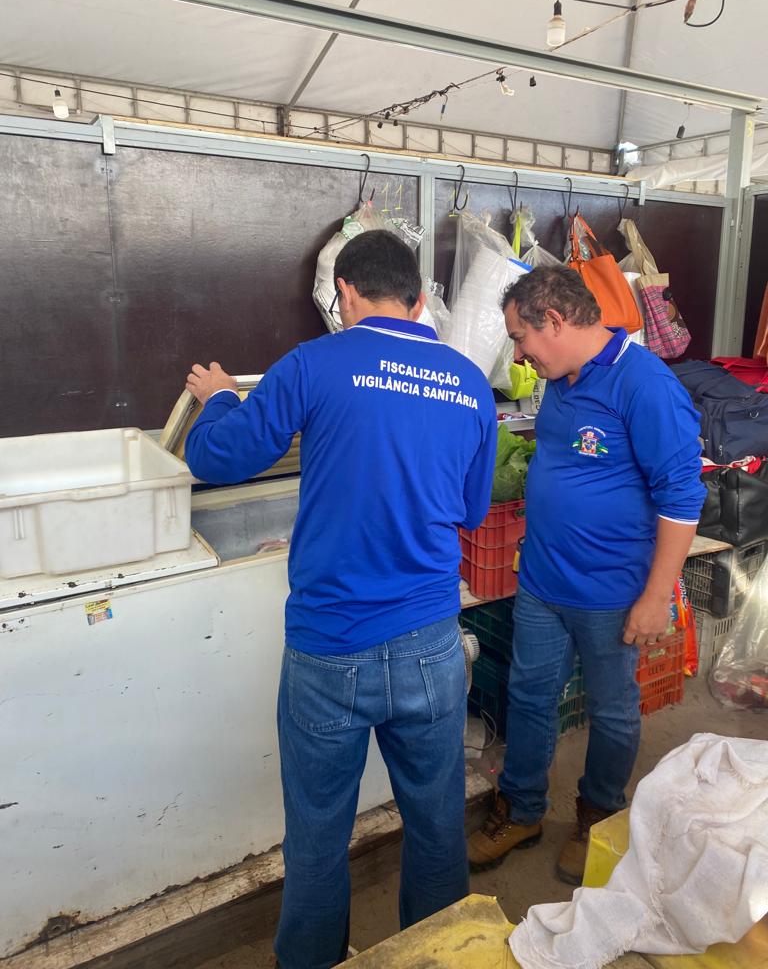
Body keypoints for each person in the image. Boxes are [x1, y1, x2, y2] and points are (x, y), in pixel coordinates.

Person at [183, 229, 497, 969]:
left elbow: (218, 459)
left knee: (320, 834)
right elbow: (473, 510)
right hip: (430, 644)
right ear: (420, 301)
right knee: (434, 823)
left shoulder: (314, 364)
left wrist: (222, 400)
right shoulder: (468, 382)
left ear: (346, 294)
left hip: (332, 649)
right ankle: (441, 954)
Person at [467, 265, 706, 885]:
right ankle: (520, 810)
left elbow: (681, 497)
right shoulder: (563, 379)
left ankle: (598, 817)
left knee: (613, 710)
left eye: (521, 337)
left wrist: (656, 598)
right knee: (529, 696)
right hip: (543, 581)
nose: (517, 352)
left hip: (611, 592)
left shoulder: (645, 385)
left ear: (555, 320)